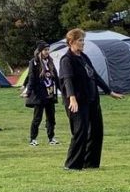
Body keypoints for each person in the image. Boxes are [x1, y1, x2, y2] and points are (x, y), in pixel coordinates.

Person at [58, 28, 123, 170]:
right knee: (80, 131)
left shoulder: (84, 57)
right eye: (80, 40)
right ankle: (72, 165)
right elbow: (67, 80)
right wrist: (72, 98)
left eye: (83, 40)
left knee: (96, 131)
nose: (83, 43)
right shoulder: (67, 60)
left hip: (92, 99)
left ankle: (90, 163)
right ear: (71, 42)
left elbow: (94, 75)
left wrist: (109, 91)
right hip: (78, 101)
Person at [24, 40, 60, 146]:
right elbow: (31, 78)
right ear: (40, 51)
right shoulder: (33, 62)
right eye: (45, 50)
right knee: (37, 118)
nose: (47, 52)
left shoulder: (50, 61)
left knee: (51, 118)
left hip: (50, 93)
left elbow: (56, 77)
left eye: (48, 50)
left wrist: (63, 89)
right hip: (39, 95)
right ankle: (33, 139)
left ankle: (51, 137)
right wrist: (28, 91)